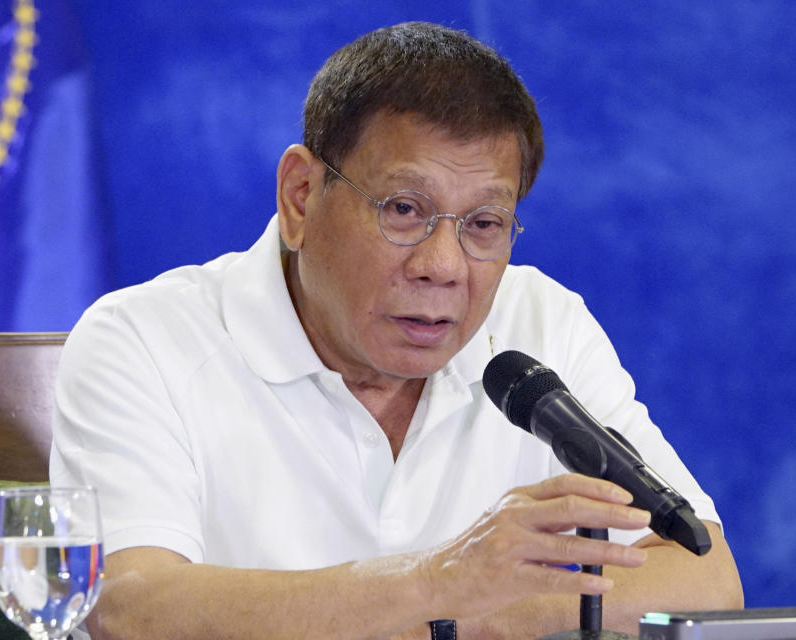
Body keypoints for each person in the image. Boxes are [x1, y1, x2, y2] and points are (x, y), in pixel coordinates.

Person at [50, 21, 742, 640]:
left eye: (484, 225)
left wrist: (470, 619)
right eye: (404, 209)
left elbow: (704, 577)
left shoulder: (541, 323)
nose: (442, 266)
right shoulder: (141, 339)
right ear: (301, 197)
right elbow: (129, 606)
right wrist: (437, 581)